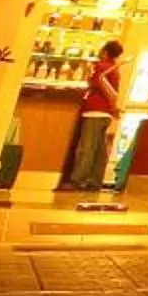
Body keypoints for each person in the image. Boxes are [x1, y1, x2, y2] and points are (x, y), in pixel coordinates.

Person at [61, 41, 124, 197]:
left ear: (105, 52)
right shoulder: (115, 70)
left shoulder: (101, 67)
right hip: (106, 113)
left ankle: (78, 180)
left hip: (94, 110)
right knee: (99, 150)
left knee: (87, 147)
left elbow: (94, 83)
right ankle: (95, 180)